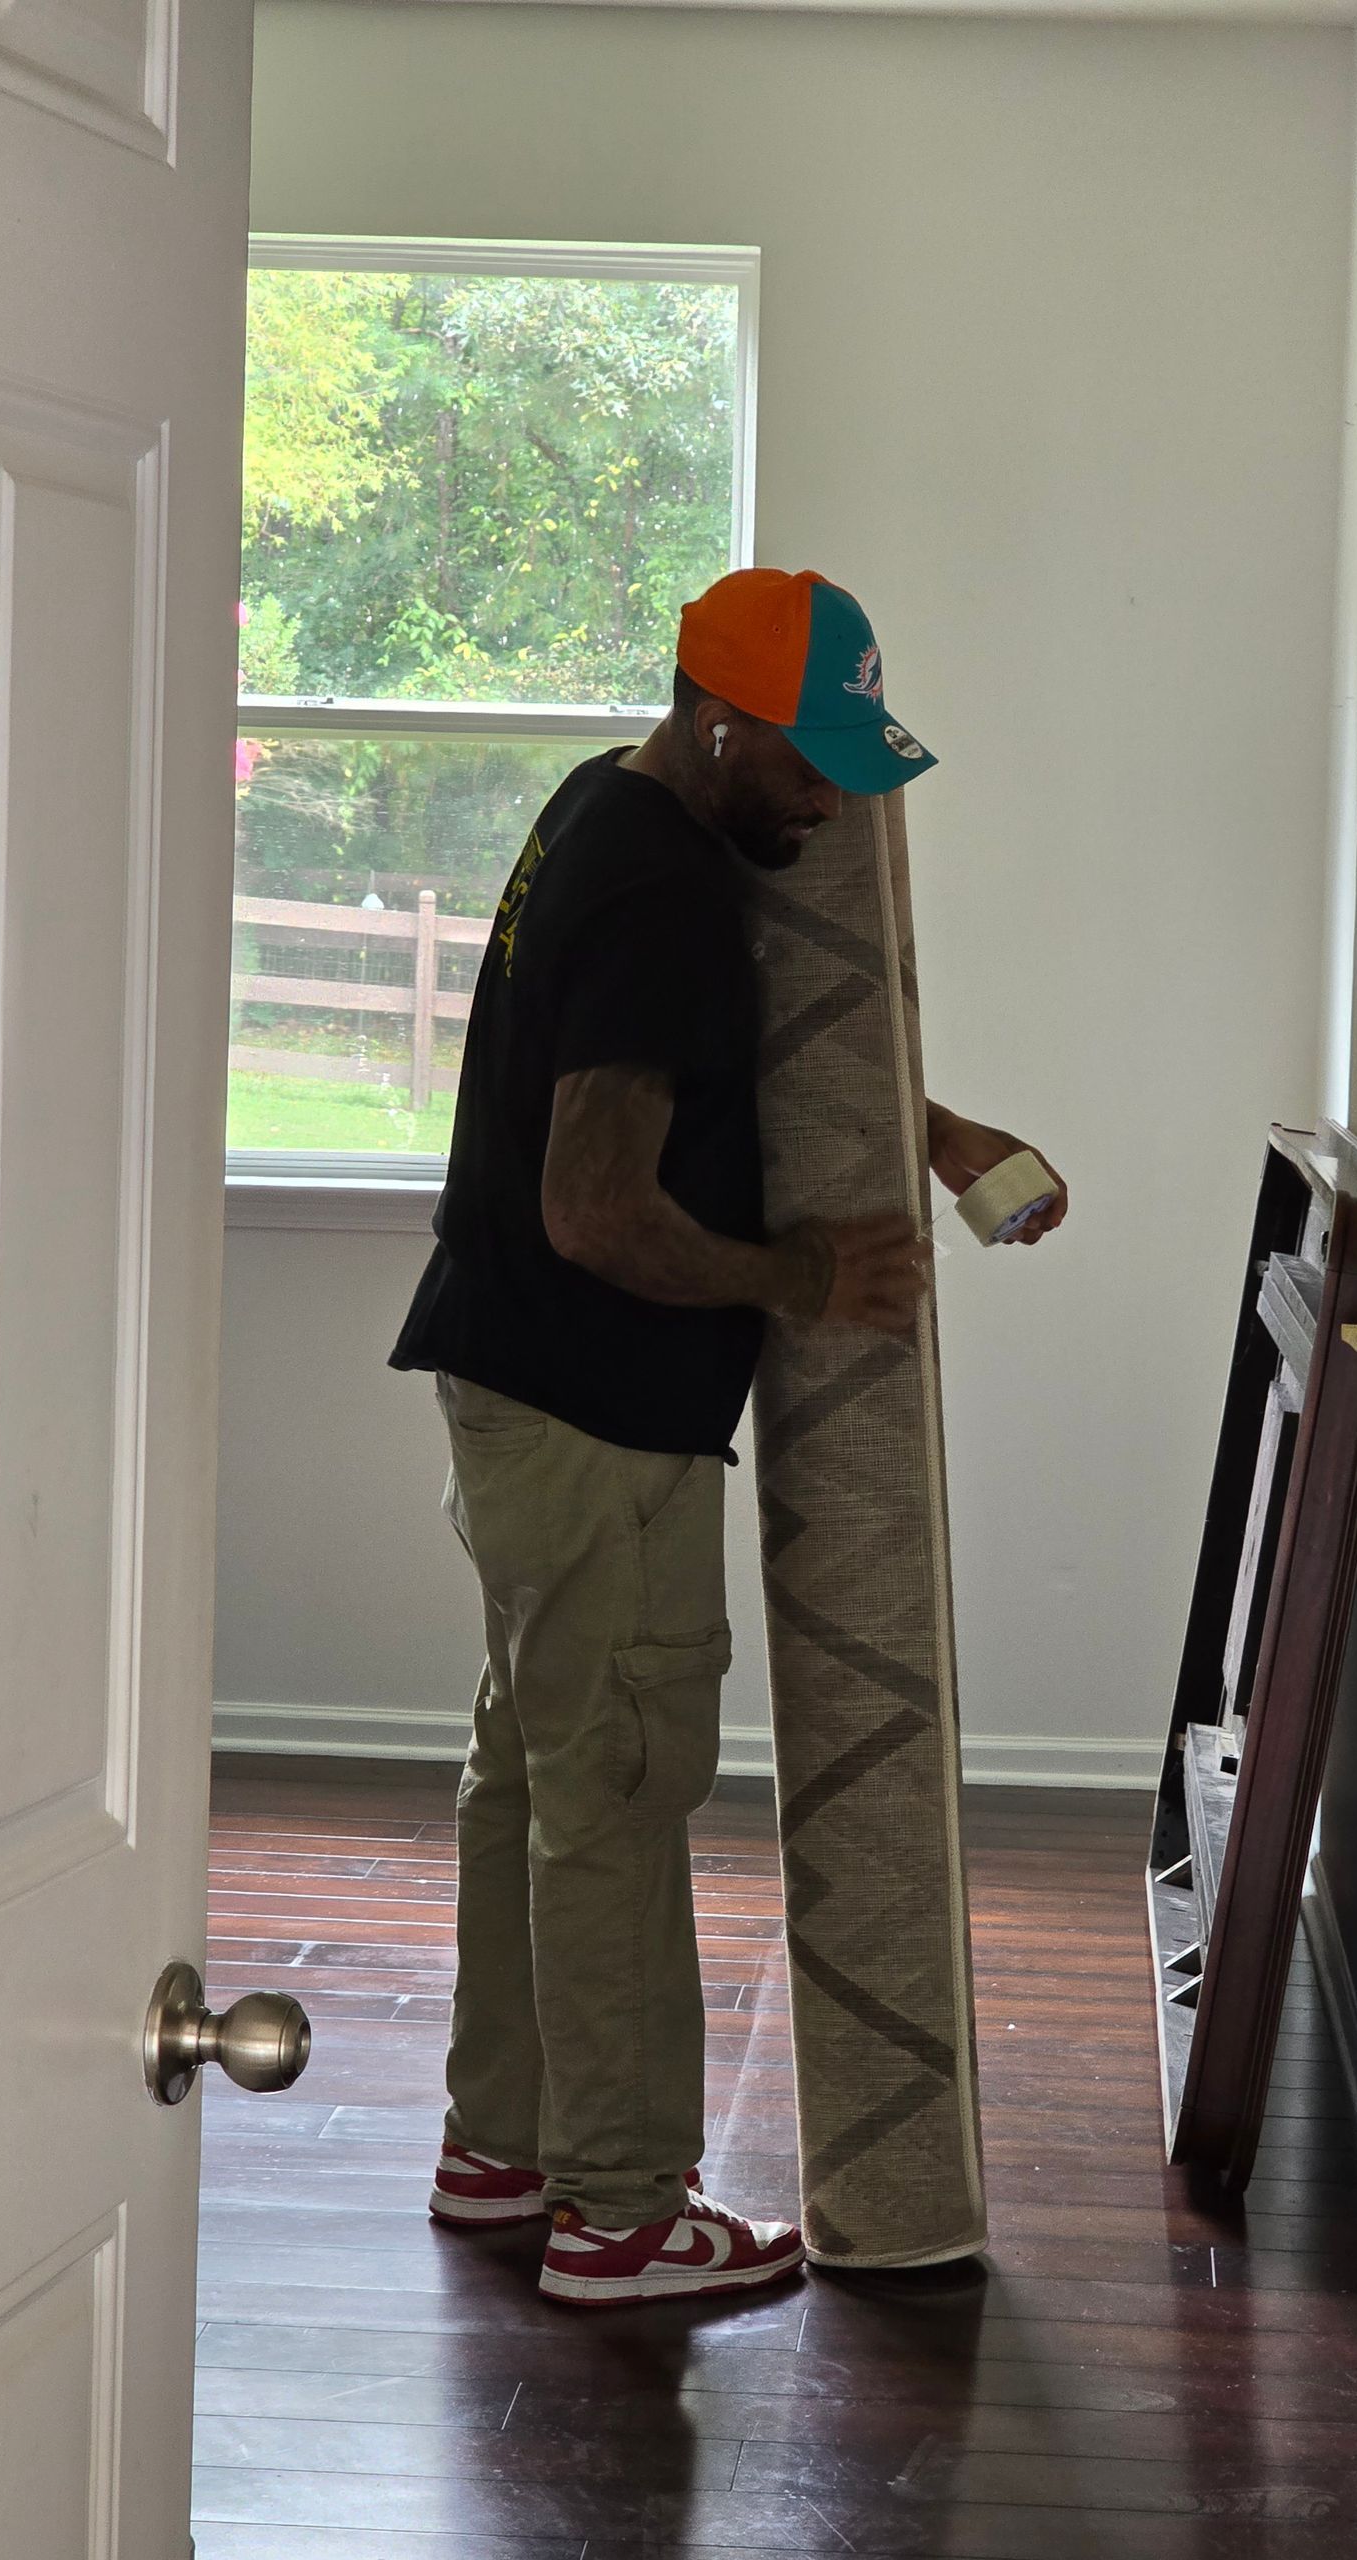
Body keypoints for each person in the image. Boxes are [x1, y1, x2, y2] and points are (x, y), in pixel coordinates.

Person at [390, 567, 1067, 2308]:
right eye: (809, 754)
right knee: (618, 1790)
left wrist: (921, 1128)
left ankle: (505, 2149)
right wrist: (806, 1275)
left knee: (534, 1772)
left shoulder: (603, 817)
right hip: (595, 1410)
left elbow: (701, 1076)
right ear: (715, 713)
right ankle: (622, 2214)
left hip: (512, 1393)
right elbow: (599, 1205)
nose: (833, 795)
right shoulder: (664, 897)